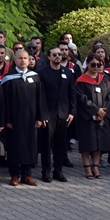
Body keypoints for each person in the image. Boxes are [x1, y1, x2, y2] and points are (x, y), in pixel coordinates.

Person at [0, 50, 48, 186]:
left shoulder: (35, 77)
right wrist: (7, 119)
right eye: (20, 58)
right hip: (14, 120)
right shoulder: (8, 78)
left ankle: (26, 175)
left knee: (29, 146)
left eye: (25, 58)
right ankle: (14, 175)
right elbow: (4, 102)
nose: (23, 60)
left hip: (31, 119)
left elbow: (40, 98)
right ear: (15, 61)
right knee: (14, 147)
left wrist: (40, 117)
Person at [36, 47, 76, 183]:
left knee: (60, 145)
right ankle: (46, 171)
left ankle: (58, 170)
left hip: (63, 114)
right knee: (46, 145)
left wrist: (72, 112)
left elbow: (72, 92)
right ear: (49, 57)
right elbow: (39, 95)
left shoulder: (68, 72)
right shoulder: (41, 73)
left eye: (59, 54)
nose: (58, 56)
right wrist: (41, 115)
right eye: (54, 54)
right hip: (48, 114)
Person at [75, 53, 110, 180]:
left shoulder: (104, 79)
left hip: (102, 116)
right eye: (93, 64)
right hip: (87, 117)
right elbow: (82, 98)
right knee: (87, 142)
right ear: (87, 64)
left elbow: (108, 96)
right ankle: (87, 167)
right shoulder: (82, 80)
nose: (96, 67)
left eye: (99, 64)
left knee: (100, 142)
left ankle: (95, 166)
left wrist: (103, 111)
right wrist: (96, 110)